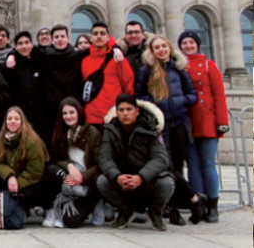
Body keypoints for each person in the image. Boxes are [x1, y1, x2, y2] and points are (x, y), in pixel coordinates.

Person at [135, 35, 198, 226]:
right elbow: (139, 96)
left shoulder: (180, 70)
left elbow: (192, 95)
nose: (161, 50)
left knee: (178, 167)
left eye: (164, 46)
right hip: (159, 126)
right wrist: (157, 104)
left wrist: (180, 102)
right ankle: (194, 199)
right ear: (152, 51)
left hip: (179, 124)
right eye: (157, 47)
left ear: (169, 48)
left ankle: (175, 210)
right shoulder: (145, 71)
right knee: (166, 168)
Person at [97, 94, 174, 231]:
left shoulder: (151, 127)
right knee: (102, 181)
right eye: (121, 110)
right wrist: (117, 176)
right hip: (123, 181)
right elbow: (105, 158)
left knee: (167, 183)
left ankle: (155, 212)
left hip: (146, 181)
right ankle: (125, 211)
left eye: (129, 109)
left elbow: (161, 158)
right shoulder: (110, 129)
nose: (125, 114)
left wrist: (141, 177)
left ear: (137, 111)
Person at [178, 30, 229, 222]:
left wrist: (222, 126)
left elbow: (219, 96)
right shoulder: (180, 66)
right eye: (184, 43)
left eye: (191, 42)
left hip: (208, 123)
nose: (188, 46)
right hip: (188, 123)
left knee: (208, 165)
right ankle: (198, 204)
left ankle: (213, 206)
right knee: (193, 166)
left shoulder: (209, 65)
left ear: (197, 44)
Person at [43, 97, 103, 228]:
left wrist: (82, 177)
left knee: (71, 223)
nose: (68, 116)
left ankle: (94, 203)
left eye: (72, 112)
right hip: (70, 179)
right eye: (65, 113)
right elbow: (56, 159)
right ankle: (59, 206)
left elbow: (99, 164)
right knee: (50, 170)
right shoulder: (60, 132)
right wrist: (69, 166)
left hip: (88, 182)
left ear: (79, 112)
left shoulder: (92, 132)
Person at [0, 106, 50, 212]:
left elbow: (35, 172)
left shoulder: (32, 141)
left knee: (26, 192)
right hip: (13, 177)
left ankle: (45, 207)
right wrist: (10, 176)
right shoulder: (2, 138)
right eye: (9, 119)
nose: (12, 122)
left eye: (16, 119)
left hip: (33, 181)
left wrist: (17, 183)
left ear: (22, 121)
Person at [81, 22, 134, 127]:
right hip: (92, 116)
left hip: (113, 115)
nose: (99, 36)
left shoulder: (118, 58)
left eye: (102, 33)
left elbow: (129, 86)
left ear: (108, 38)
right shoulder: (84, 61)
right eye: (95, 33)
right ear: (91, 38)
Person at [2, 31, 47, 143]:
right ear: (16, 47)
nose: (24, 46)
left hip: (41, 117)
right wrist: (11, 55)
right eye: (20, 44)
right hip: (20, 117)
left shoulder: (40, 61)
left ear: (32, 44)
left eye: (27, 42)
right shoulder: (11, 66)